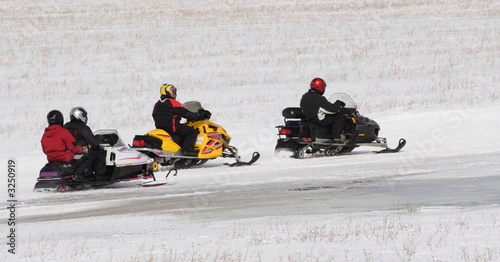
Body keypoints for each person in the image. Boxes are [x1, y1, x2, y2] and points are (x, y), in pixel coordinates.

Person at [152, 83, 211, 156]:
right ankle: (187, 150)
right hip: (173, 128)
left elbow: (154, 115)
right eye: (172, 91)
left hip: (161, 128)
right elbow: (185, 113)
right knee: (192, 131)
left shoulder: (157, 104)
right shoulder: (173, 102)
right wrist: (198, 115)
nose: (174, 93)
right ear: (168, 92)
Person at [64, 107, 107, 182]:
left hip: (67, 153)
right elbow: (94, 143)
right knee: (99, 150)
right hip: (80, 151)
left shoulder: (65, 126)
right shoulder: (82, 127)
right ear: (80, 115)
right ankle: (100, 176)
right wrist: (101, 138)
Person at [300, 77, 347, 142]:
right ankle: (336, 137)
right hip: (318, 120)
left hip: (309, 119)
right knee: (338, 116)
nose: (324, 89)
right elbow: (331, 109)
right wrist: (338, 103)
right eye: (323, 87)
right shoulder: (318, 97)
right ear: (319, 86)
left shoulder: (305, 96)